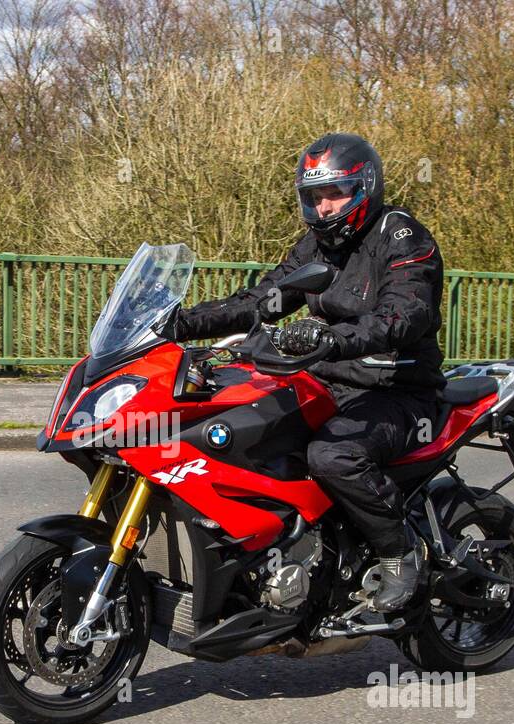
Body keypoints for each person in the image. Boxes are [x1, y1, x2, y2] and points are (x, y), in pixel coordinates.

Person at [172, 132, 446, 611]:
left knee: (332, 456)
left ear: (365, 186)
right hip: (326, 380)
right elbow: (263, 300)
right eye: (314, 197)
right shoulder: (316, 247)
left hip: (396, 389)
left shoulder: (402, 237)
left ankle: (401, 552)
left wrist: (331, 339)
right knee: (242, 429)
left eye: (333, 194)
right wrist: (180, 323)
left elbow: (405, 315)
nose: (323, 208)